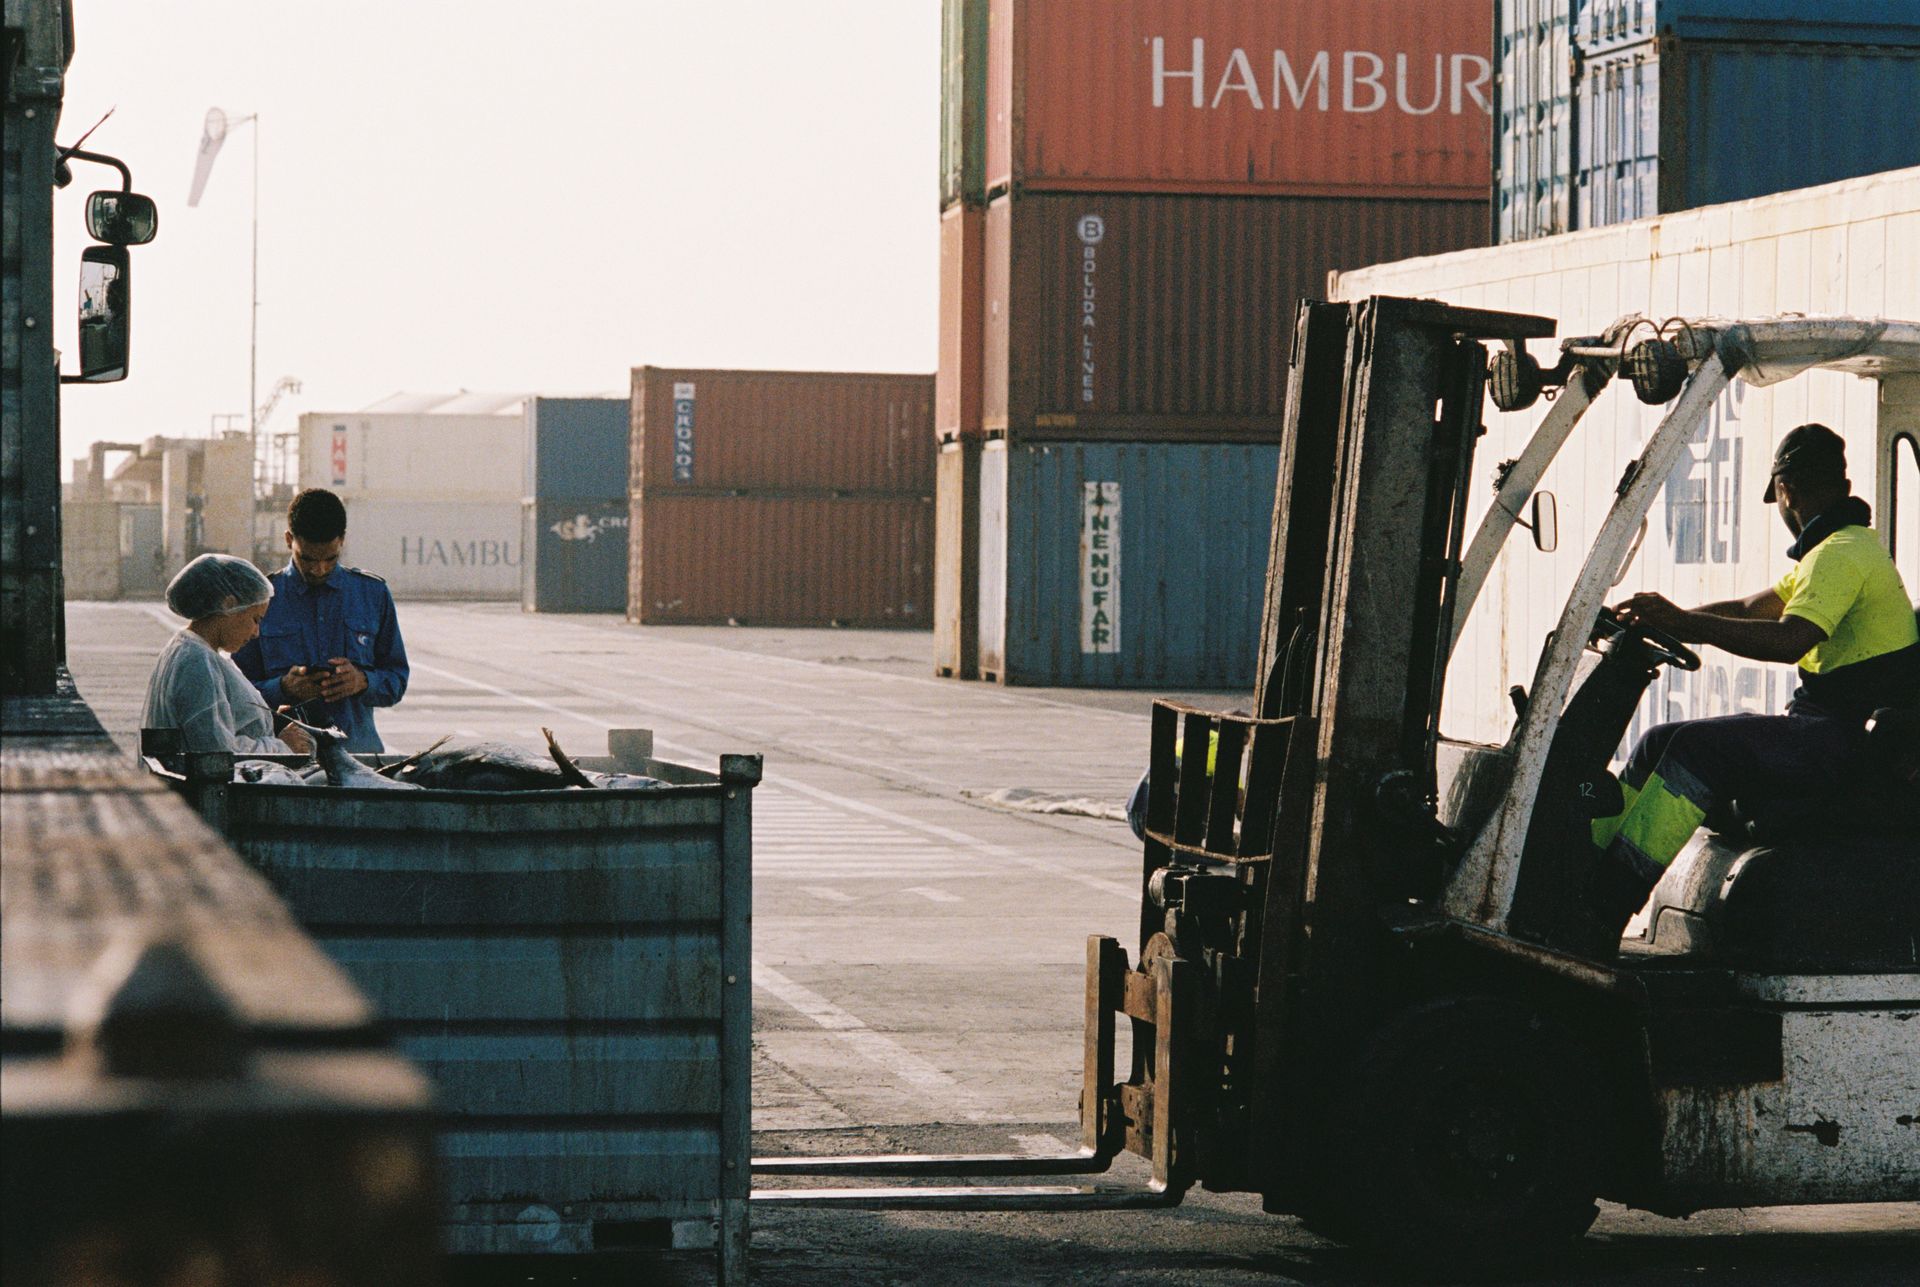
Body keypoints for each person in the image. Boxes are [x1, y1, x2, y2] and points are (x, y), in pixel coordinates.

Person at [1590, 422, 1920, 931]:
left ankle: (1602, 908)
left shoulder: (1842, 555)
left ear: (1785, 489)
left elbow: (1789, 640)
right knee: (1660, 740)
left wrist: (1684, 622)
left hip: (1846, 737)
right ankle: (1577, 872)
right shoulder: (1835, 550)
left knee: (1698, 752)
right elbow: (1753, 608)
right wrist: (1667, 619)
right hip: (1828, 730)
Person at [233, 488, 409, 753]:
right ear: (289, 539)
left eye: (330, 558)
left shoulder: (373, 595)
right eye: (307, 559)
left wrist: (362, 681)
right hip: (286, 759)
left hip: (359, 757)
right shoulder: (262, 598)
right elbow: (236, 693)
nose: (319, 569)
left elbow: (396, 679)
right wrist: (283, 688)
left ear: (342, 541)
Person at [143, 554, 313, 756]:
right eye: (255, 619)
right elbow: (215, 753)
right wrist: (282, 746)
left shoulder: (195, 652)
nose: (256, 633)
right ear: (229, 605)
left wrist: (268, 722)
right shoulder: (197, 662)